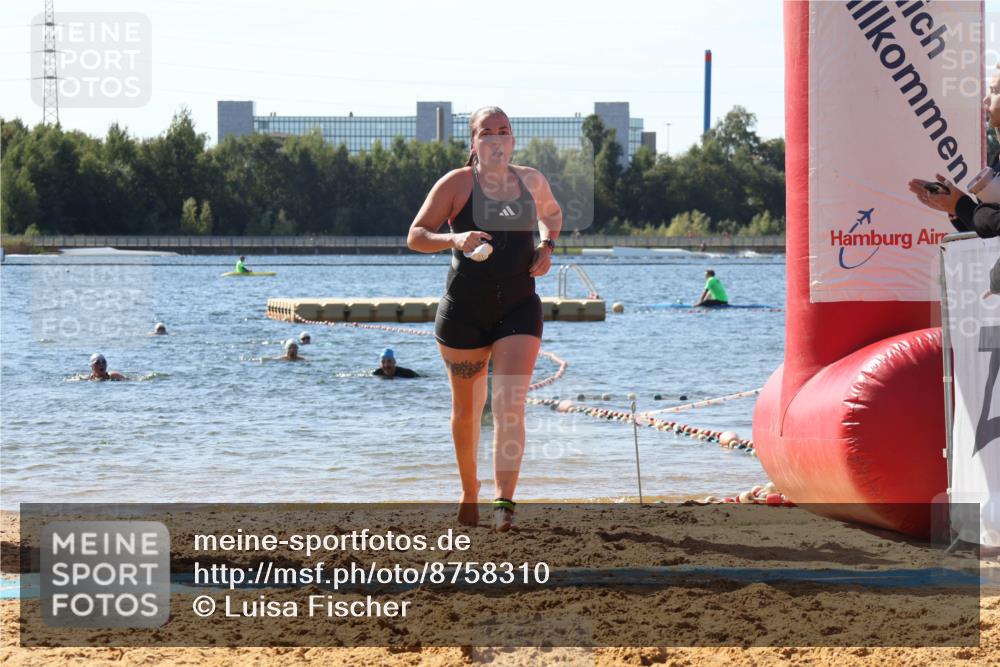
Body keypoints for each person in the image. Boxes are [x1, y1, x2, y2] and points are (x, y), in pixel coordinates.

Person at [407, 105, 562, 531]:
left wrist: (547, 247)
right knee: (468, 410)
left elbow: (552, 215)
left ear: (513, 139)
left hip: (518, 303)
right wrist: (454, 237)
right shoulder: (457, 184)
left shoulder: (531, 181)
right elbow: (416, 236)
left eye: (503, 130)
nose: (496, 138)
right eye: (487, 132)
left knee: (510, 404)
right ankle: (469, 490)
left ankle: (504, 505)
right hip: (464, 311)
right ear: (473, 143)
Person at [907, 66, 1000, 238]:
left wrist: (960, 205)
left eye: (995, 91)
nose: (986, 99)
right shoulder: (997, 160)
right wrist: (953, 208)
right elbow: (984, 231)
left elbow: (993, 223)